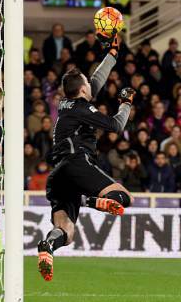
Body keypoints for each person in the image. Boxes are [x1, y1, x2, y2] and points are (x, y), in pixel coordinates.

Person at [38, 35, 134, 281]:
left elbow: (95, 81)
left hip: (57, 174)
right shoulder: (82, 108)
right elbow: (115, 125)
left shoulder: (65, 104)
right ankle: (89, 201)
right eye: (86, 85)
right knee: (123, 198)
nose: (91, 85)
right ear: (82, 90)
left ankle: (47, 246)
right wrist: (126, 102)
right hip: (76, 162)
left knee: (66, 232)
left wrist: (111, 55)